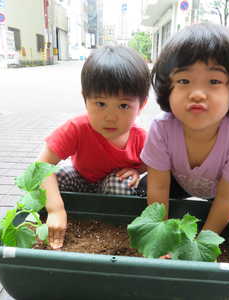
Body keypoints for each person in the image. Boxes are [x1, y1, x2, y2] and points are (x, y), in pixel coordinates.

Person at [140, 23, 229, 240]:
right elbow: (159, 188)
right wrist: (161, 237)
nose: (198, 94)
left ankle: (228, 233)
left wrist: (204, 242)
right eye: (184, 81)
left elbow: (227, 199)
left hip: (224, 189)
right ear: (168, 88)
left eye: (214, 81)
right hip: (179, 183)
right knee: (144, 188)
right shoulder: (161, 127)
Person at [38, 46, 150, 249]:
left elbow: (153, 165)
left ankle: (113, 232)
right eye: (100, 103)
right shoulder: (76, 128)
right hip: (81, 179)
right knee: (59, 175)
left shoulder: (141, 138)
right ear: (85, 99)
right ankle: (62, 220)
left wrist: (137, 170)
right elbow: (42, 166)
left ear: (141, 105)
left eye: (123, 106)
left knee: (121, 184)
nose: (110, 116)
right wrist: (55, 209)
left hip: (111, 187)